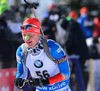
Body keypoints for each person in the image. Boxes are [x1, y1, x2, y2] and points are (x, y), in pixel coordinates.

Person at [14, 17, 71, 91]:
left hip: (60, 89)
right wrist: (19, 80)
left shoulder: (53, 48)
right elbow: (22, 72)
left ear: (38, 34)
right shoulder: (22, 51)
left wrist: (44, 82)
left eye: (30, 35)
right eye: (24, 35)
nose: (26, 38)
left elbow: (65, 74)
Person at [60, 17, 90, 90]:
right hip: (82, 53)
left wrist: (60, 49)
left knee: (78, 73)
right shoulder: (75, 26)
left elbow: (68, 41)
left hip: (78, 55)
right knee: (80, 72)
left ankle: (79, 89)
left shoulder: (71, 28)